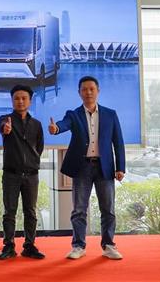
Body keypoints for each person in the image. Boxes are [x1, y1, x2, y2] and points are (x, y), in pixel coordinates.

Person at [48, 75, 125, 260]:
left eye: (91, 89)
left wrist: (120, 167)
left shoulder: (110, 114)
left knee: (108, 209)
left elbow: (118, 142)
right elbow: (63, 124)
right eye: (84, 89)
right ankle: (78, 246)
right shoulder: (73, 115)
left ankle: (109, 245)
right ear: (79, 93)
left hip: (104, 168)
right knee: (79, 210)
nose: (88, 92)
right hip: (82, 167)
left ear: (98, 91)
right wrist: (56, 128)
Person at [0, 84, 45, 260]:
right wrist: (5, 129)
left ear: (30, 101)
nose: (20, 101)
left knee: (30, 212)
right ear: (12, 101)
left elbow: (39, 147)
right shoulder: (5, 119)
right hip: (11, 174)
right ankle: (8, 246)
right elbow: (2, 126)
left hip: (31, 175)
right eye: (16, 98)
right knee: (9, 212)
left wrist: (31, 162)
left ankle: (29, 246)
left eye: (24, 98)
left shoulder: (37, 124)